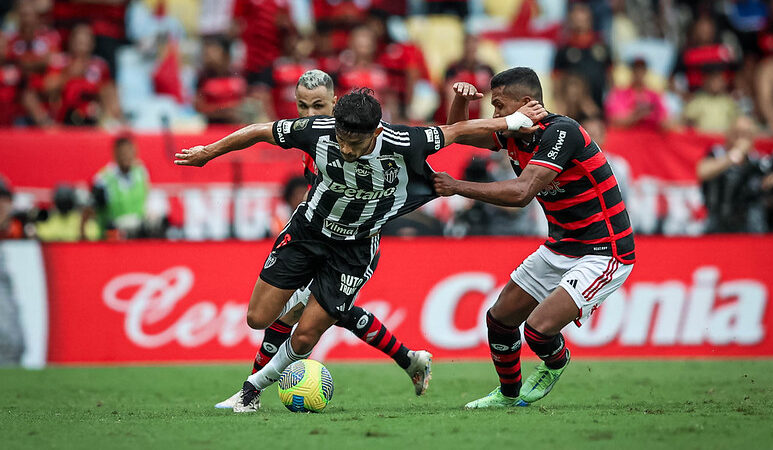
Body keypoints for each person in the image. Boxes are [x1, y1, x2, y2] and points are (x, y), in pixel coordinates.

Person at [176, 86, 546, 413]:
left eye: (356, 142)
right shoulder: (316, 131)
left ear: (377, 131)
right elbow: (260, 131)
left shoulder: (405, 141)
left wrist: (512, 121)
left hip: (355, 249)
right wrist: (209, 152)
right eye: (342, 139)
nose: (346, 149)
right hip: (308, 233)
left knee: (305, 336)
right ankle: (316, 301)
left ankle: (249, 392)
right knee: (258, 318)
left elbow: (457, 130)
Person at [213, 70, 437, 410]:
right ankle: (409, 359)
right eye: (302, 106)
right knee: (327, 312)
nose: (309, 115)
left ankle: (250, 393)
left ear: (335, 103)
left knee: (296, 316)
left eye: (318, 106)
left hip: (354, 242)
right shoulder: (313, 138)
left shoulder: (354, 139)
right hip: (317, 235)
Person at [435, 67, 635, 408]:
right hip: (560, 246)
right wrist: (459, 101)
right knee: (499, 320)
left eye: (499, 106)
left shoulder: (562, 132)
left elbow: (522, 192)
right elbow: (460, 134)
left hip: (604, 251)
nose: (495, 116)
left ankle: (556, 360)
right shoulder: (515, 134)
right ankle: (508, 396)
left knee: (538, 330)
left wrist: (456, 187)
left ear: (526, 103)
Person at [696, 115, 767, 233]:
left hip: (749, 225)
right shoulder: (716, 153)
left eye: (745, 134)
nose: (740, 138)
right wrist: (733, 155)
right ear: (728, 133)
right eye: (736, 133)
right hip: (716, 222)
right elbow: (701, 172)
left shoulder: (757, 161)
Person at [92, 135, 149, 238]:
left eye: (129, 152)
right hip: (113, 233)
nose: (126, 156)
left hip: (138, 232)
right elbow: (94, 209)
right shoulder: (103, 179)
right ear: (115, 154)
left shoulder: (141, 172)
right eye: (123, 153)